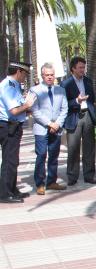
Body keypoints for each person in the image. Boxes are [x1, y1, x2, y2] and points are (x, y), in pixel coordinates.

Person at [30, 62, 68, 195]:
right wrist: (49, 124)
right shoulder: (35, 90)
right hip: (41, 128)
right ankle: (40, 183)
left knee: (54, 156)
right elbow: (34, 111)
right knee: (41, 155)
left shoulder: (60, 90)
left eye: (52, 75)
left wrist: (57, 124)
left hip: (56, 128)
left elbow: (64, 109)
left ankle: (51, 181)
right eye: (47, 75)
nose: (50, 77)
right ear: (42, 76)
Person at [0, 61, 36, 203]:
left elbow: (19, 108)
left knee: (13, 160)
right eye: (25, 73)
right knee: (9, 160)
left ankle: (12, 189)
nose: (26, 76)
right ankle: (5, 193)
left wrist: (26, 109)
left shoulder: (14, 86)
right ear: (18, 72)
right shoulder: (7, 86)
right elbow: (14, 110)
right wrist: (27, 105)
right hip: (8, 126)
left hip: (13, 125)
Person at [60, 56, 96, 186]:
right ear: (73, 68)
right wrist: (77, 101)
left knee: (90, 147)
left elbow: (93, 98)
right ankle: (72, 176)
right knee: (73, 148)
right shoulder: (65, 84)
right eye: (80, 67)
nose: (83, 70)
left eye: (84, 67)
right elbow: (63, 104)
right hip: (73, 117)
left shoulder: (88, 81)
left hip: (88, 116)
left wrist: (88, 103)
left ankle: (89, 175)